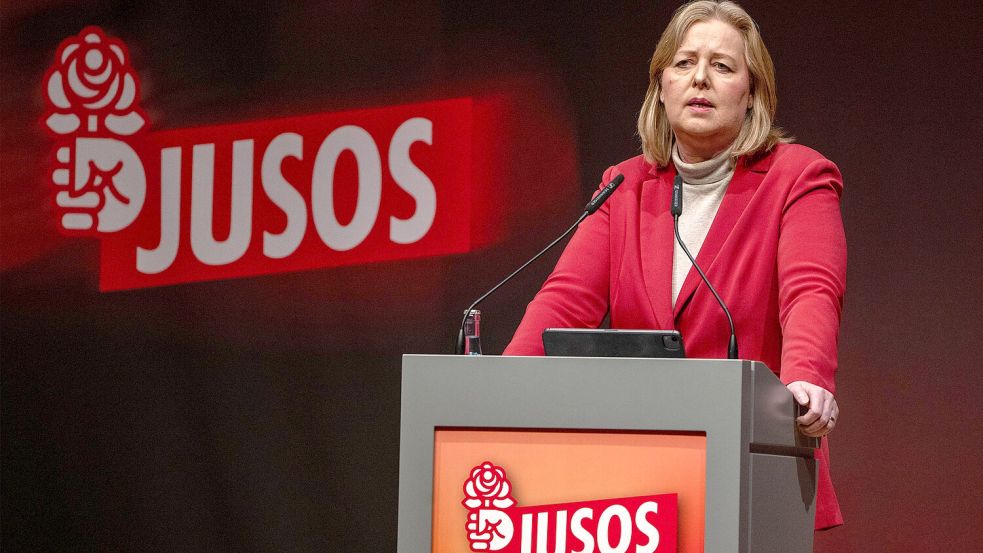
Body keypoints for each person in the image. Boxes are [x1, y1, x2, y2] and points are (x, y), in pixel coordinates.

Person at [503, 0, 846, 530]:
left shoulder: (797, 177)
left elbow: (811, 290)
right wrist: (498, 388)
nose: (700, 78)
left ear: (752, 93)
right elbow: (563, 303)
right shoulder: (624, 187)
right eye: (684, 63)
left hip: (749, 466)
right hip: (636, 484)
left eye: (722, 65)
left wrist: (807, 377)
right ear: (661, 87)